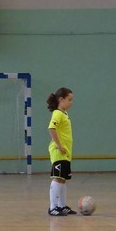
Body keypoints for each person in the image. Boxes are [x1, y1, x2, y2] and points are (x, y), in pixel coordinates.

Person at [46, 87, 75, 216]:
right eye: (69, 99)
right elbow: (51, 128)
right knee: (58, 178)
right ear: (61, 99)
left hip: (66, 153)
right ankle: (53, 207)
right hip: (59, 152)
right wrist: (59, 145)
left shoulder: (64, 114)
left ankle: (62, 206)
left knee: (63, 179)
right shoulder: (57, 113)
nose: (71, 102)